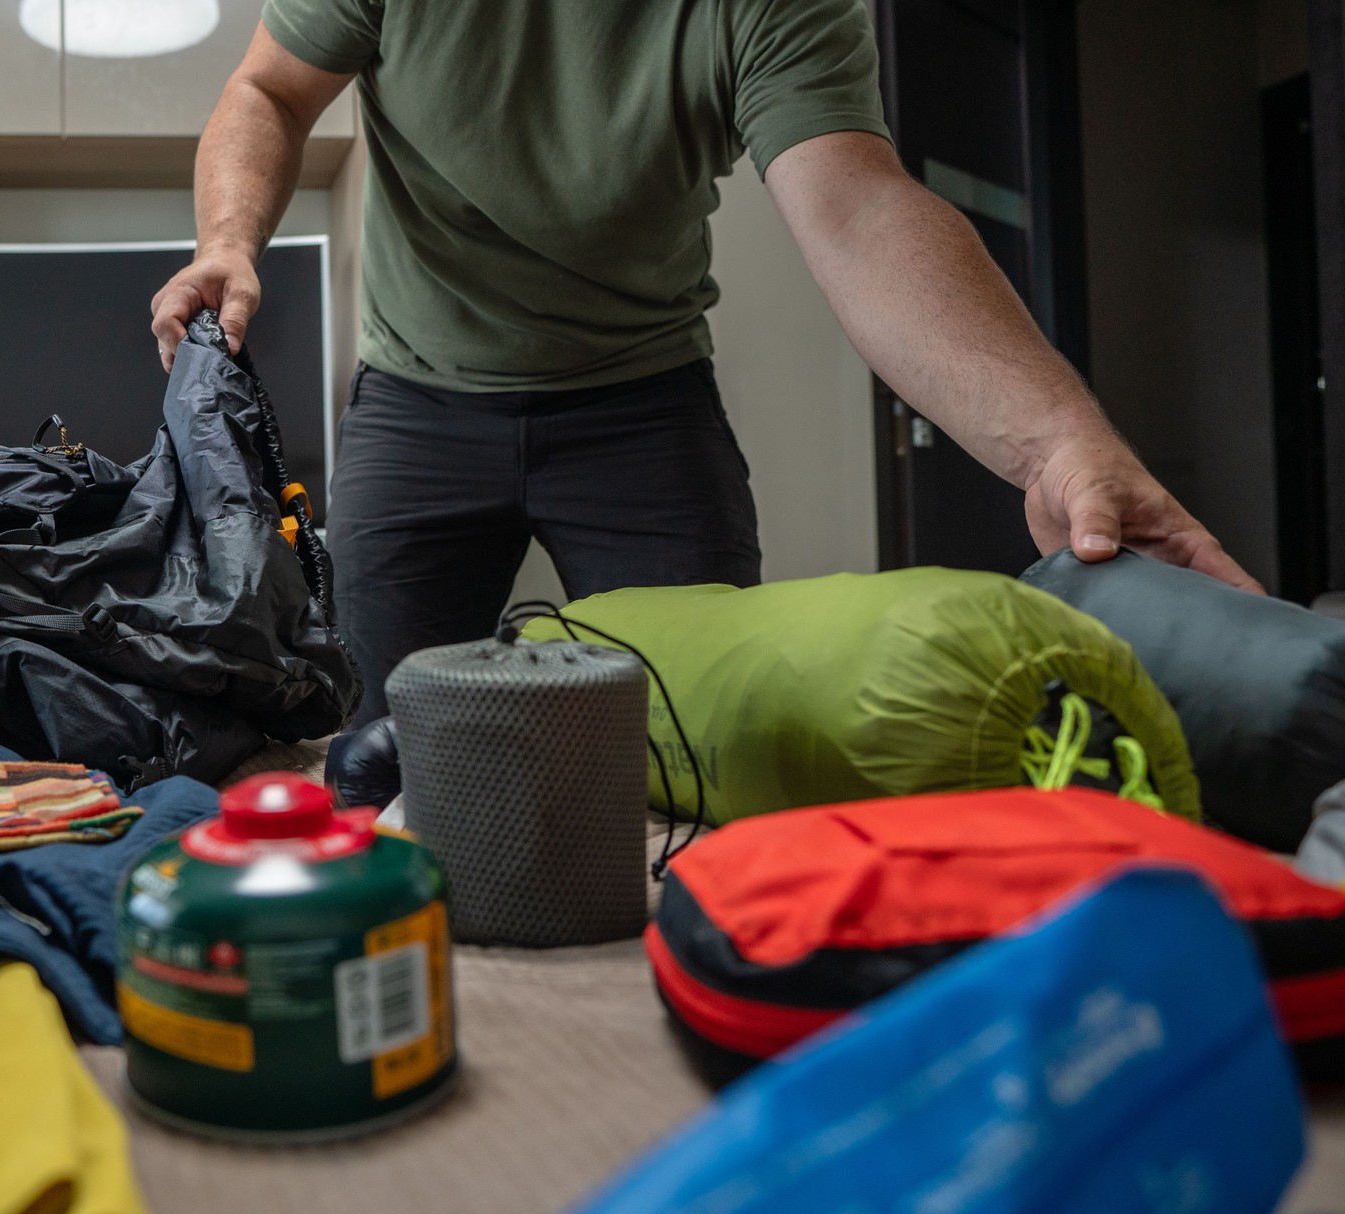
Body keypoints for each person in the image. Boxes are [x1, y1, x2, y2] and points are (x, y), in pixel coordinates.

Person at [150, 0, 1262, 727]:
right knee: (362, 734)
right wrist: (228, 242)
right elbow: (269, 90)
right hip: (420, 397)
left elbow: (860, 207)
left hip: (640, 405)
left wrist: (1063, 445)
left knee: (701, 735)